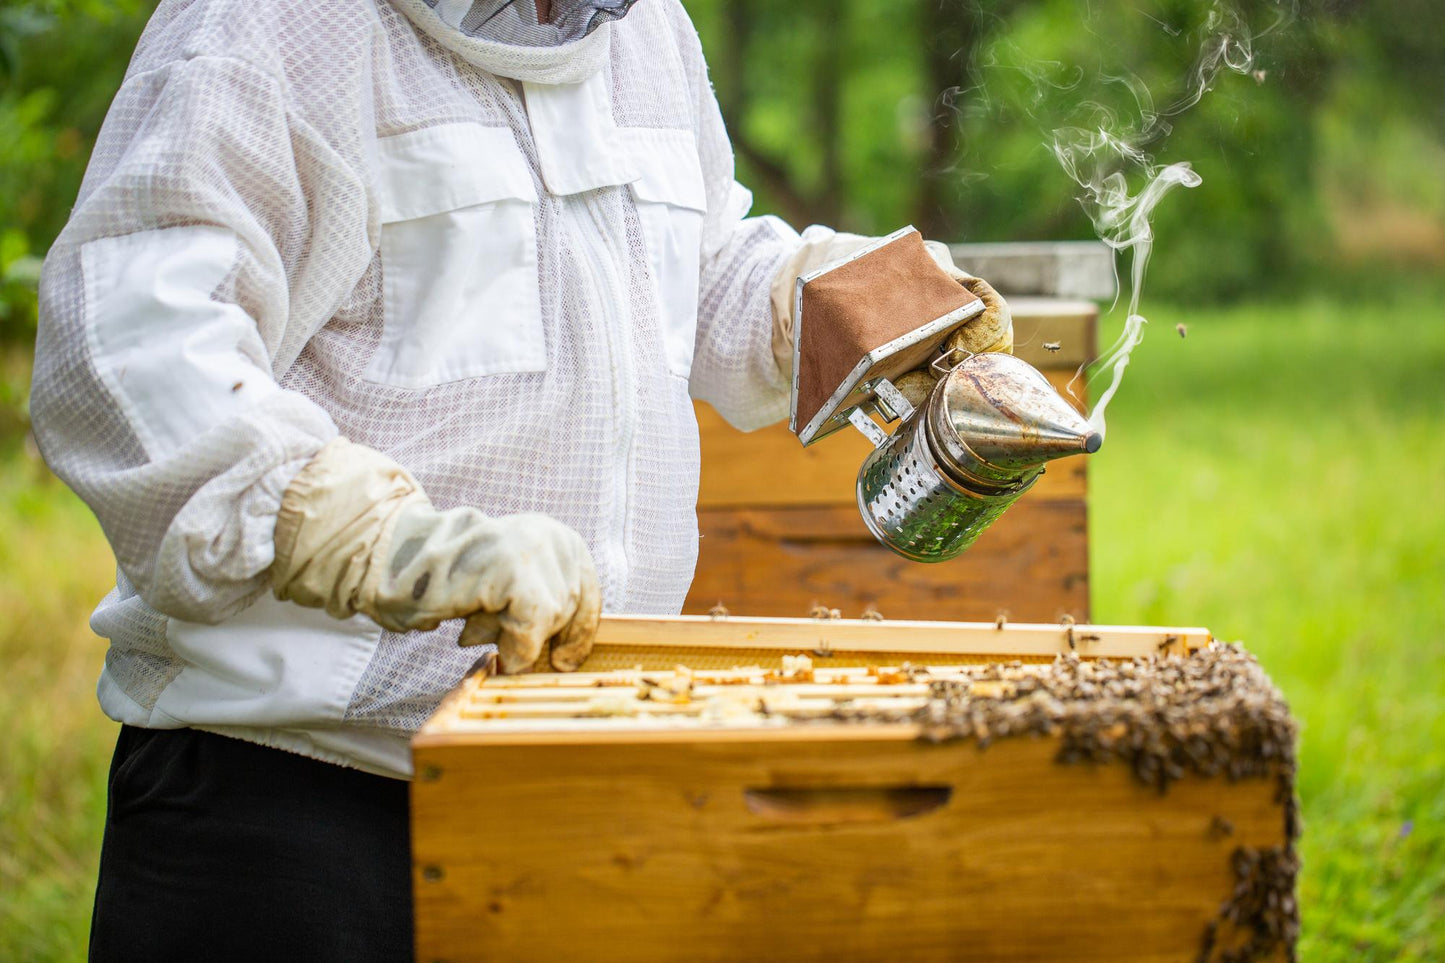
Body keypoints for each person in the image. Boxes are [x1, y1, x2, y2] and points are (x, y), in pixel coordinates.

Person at [30, 0, 1012, 957]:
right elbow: (132, 343)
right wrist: (378, 539)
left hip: (571, 779)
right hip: (296, 808)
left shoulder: (644, 32)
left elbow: (694, 262)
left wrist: (853, 308)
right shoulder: (267, 24)